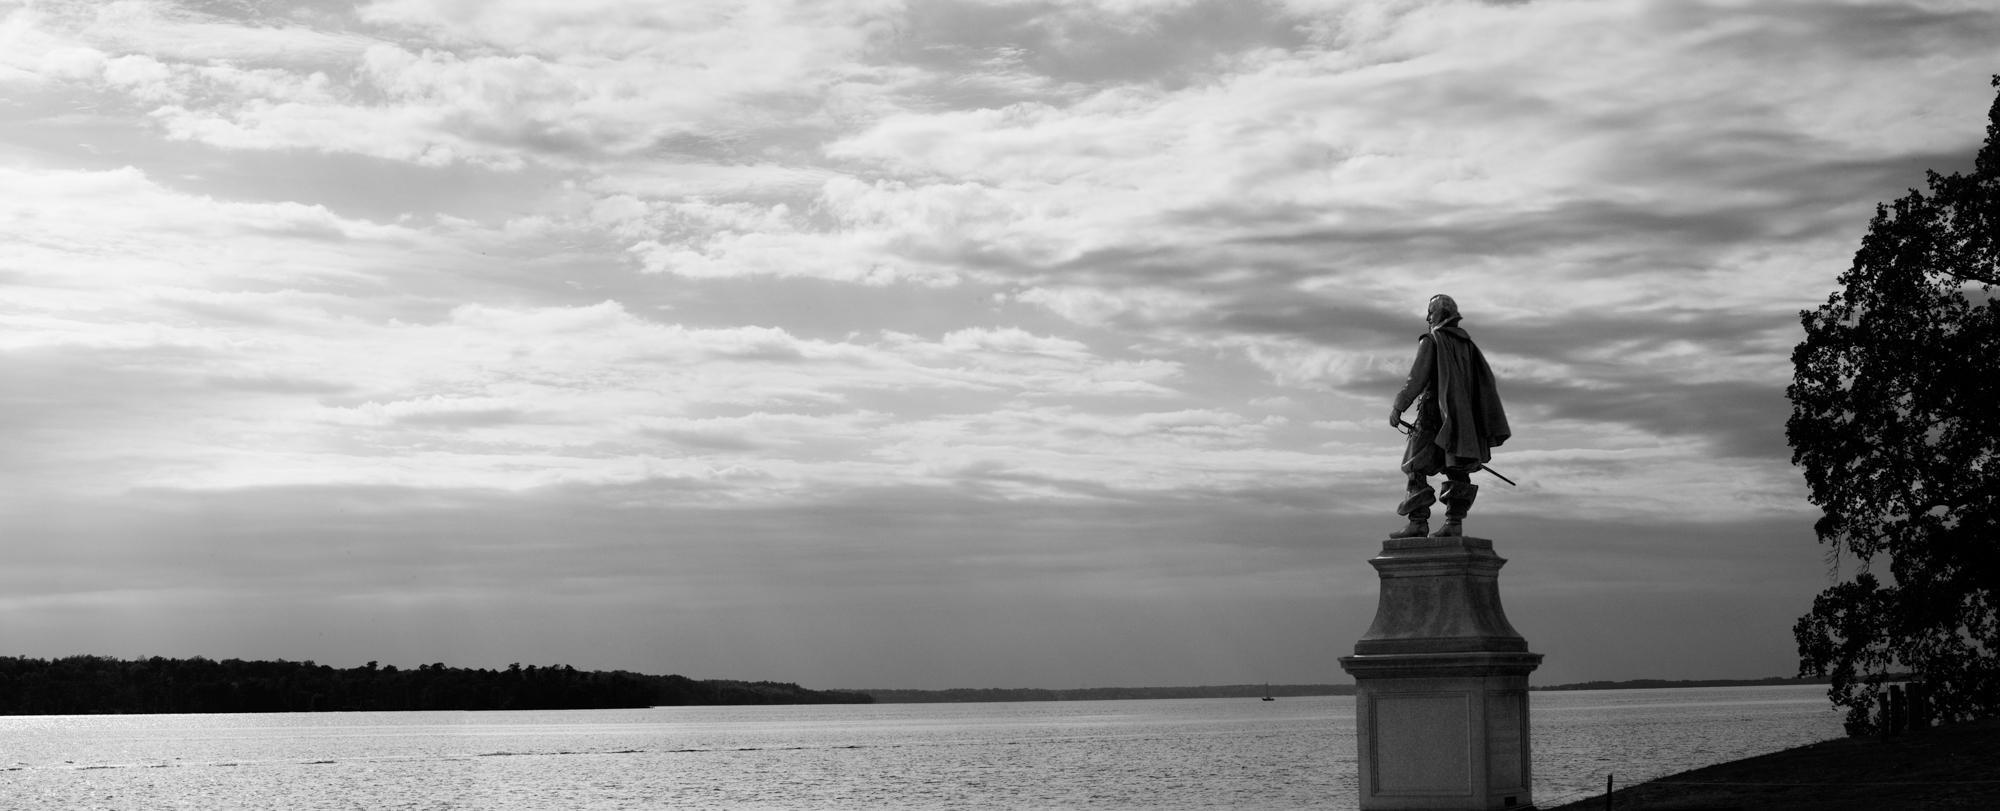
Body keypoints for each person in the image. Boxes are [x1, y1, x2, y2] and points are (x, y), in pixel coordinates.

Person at [1389, 295, 1510, 538]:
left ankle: (1418, 522)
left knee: (1414, 466)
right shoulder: (1468, 346)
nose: (1427, 318)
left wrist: (1398, 407)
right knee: (1456, 466)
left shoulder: (1432, 340)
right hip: (1463, 419)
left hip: (1434, 414)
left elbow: (1417, 378)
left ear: (1440, 315)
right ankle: (1453, 523)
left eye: (1430, 313)